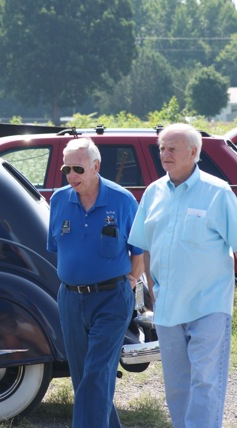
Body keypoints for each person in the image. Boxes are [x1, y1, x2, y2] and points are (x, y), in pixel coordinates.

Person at [127, 123, 237, 428]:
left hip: (208, 306)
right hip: (168, 308)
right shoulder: (153, 193)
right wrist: (154, 291)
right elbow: (146, 246)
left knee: (205, 383)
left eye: (172, 148)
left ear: (194, 152)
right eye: (162, 148)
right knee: (177, 387)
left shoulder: (217, 192)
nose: (165, 154)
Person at [47, 137, 143, 428]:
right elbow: (57, 246)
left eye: (78, 168)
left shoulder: (122, 200)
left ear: (96, 166)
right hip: (71, 299)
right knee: (84, 379)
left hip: (112, 298)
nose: (71, 175)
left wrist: (132, 280)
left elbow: (139, 250)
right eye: (67, 169)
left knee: (97, 373)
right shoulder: (59, 200)